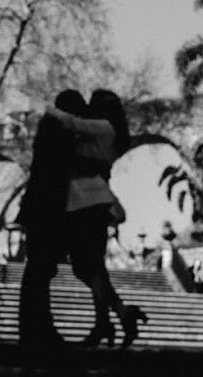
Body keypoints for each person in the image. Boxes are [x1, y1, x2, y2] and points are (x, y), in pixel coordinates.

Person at [47, 89, 148, 348]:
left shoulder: (104, 128)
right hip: (85, 202)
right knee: (87, 268)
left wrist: (50, 111)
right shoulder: (100, 132)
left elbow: (72, 123)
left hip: (89, 202)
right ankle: (120, 314)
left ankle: (105, 323)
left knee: (91, 267)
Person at [15, 89, 88, 351]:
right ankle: (35, 329)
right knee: (39, 269)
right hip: (45, 209)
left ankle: (37, 328)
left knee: (40, 269)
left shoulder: (51, 127)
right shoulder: (57, 129)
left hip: (42, 208)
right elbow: (59, 170)